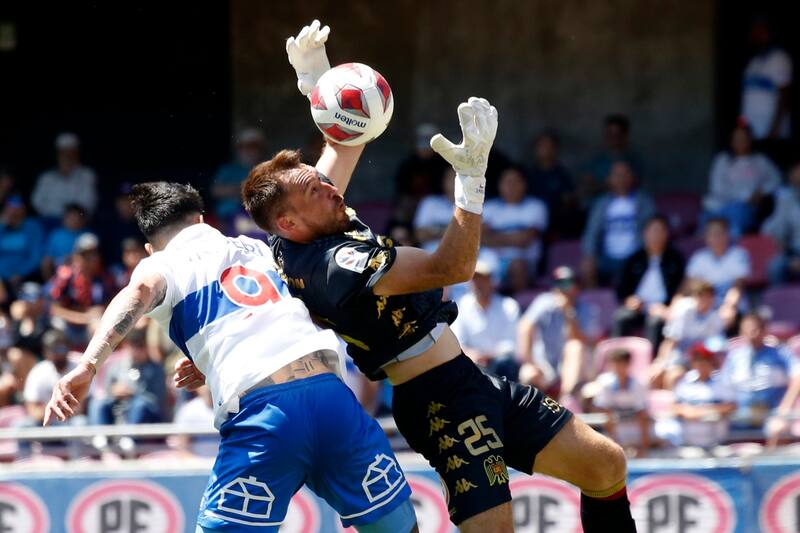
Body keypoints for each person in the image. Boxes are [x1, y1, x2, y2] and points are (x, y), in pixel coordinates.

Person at [240, 27, 635, 529]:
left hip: (468, 378)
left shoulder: (304, 227)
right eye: (316, 190)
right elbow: (453, 268)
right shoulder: (334, 265)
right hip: (438, 402)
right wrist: (471, 181)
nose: (329, 186)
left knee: (605, 464)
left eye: (322, 181)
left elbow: (336, 156)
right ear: (289, 224)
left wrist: (322, 91)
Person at [44, 174, 417, 533]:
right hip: (331, 396)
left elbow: (139, 291)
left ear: (149, 247)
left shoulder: (161, 262)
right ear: (203, 220)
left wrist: (89, 363)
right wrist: (213, 361)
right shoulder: (258, 247)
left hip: (266, 417)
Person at [720, 313, 800, 445]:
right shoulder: (734, 357)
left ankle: (771, 464)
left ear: (764, 331)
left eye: (755, 330)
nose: (752, 334)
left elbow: (798, 376)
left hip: (771, 410)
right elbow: (724, 384)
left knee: (778, 429)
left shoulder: (780, 353)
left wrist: (785, 407)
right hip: (742, 411)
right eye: (747, 330)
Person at [613, 214, 685, 350]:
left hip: (662, 307)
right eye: (652, 231)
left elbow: (681, 288)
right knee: (621, 317)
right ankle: (617, 358)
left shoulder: (675, 259)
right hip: (638, 307)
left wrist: (669, 309)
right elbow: (621, 288)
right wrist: (629, 300)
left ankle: (651, 364)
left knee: (655, 322)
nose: (655, 235)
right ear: (644, 234)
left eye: (660, 231)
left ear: (666, 234)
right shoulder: (634, 259)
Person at [650, 280, 736, 389]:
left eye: (708, 297)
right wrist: (659, 363)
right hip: (681, 359)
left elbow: (718, 349)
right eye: (702, 296)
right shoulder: (684, 313)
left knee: (678, 377)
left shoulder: (716, 319)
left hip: (704, 363)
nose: (705, 300)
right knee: (659, 376)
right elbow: (670, 341)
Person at [581, 160, 656, 286]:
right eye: (616, 175)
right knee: (587, 267)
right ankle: (593, 301)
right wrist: (590, 255)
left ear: (632, 177)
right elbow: (591, 233)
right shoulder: (601, 204)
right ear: (609, 179)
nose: (621, 178)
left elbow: (653, 231)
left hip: (636, 255)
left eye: (625, 174)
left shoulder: (644, 201)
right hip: (607, 257)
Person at [703, 122, 781, 235]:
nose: (740, 142)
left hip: (746, 209)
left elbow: (776, 180)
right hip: (720, 206)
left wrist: (761, 192)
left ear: (750, 140)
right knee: (709, 218)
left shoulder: (760, 160)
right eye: (737, 138)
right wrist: (741, 197)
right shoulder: (723, 160)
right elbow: (717, 188)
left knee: (737, 217)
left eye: (744, 138)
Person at [655, 343, 736, 449]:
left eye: (704, 361)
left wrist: (704, 411)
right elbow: (674, 407)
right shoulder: (685, 382)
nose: (701, 365)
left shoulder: (721, 382)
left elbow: (731, 406)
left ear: (711, 363)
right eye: (697, 361)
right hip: (688, 442)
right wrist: (688, 411)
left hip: (716, 441)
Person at [482, 165, 548, 291]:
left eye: (515, 181)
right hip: (491, 260)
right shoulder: (489, 207)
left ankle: (521, 306)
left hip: (525, 262)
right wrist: (512, 238)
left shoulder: (536, 207)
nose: (511, 186)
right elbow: (477, 238)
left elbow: (523, 241)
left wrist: (491, 236)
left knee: (518, 265)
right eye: (507, 182)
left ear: (524, 184)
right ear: (499, 184)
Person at [451, 259, 520, 380]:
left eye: (483, 279)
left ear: (492, 281)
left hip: (499, 363)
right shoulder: (461, 305)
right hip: (471, 361)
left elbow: (511, 345)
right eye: (475, 279)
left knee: (505, 363)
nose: (478, 284)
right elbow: (457, 341)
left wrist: (486, 356)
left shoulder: (509, 306)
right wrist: (472, 355)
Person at [88, 327, 167, 425]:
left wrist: (133, 393)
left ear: (146, 346)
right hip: (117, 407)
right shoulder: (115, 366)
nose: (137, 351)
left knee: (140, 404)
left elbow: (157, 399)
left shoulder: (156, 369)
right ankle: (100, 437)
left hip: (145, 411)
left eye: (140, 346)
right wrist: (113, 391)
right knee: (98, 404)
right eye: (133, 346)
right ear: (126, 345)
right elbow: (106, 391)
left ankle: (129, 438)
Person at [48, 233, 115, 349]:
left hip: (90, 326)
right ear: (76, 256)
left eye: (94, 254)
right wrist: (83, 317)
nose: (91, 259)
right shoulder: (66, 276)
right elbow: (55, 310)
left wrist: (102, 311)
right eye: (85, 255)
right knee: (57, 324)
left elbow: (111, 305)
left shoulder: (105, 278)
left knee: (98, 325)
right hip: (69, 325)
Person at [741, 17, 793, 163]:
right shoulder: (753, 62)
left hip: (772, 133)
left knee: (771, 176)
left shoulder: (780, 58)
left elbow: (785, 94)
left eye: (759, 31)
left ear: (767, 33)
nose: (754, 35)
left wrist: (775, 128)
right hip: (751, 133)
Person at [591, 349, 650, 456]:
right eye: (615, 363)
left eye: (621, 364)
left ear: (628, 364)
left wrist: (643, 447)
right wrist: (615, 443)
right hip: (615, 430)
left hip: (635, 429)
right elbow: (605, 413)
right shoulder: (605, 383)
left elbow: (642, 414)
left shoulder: (639, 384)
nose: (618, 368)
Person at [31, 133, 98, 222]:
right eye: (63, 152)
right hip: (50, 221)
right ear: (58, 154)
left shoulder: (87, 175)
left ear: (76, 153)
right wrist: (56, 215)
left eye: (71, 152)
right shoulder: (46, 177)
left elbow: (89, 204)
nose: (67, 156)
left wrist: (73, 217)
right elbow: (37, 202)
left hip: (78, 222)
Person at [580, 114, 645, 206]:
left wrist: (610, 184)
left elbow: (635, 184)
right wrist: (608, 185)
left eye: (616, 135)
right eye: (609, 134)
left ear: (625, 136)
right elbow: (586, 187)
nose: (612, 139)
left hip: (629, 205)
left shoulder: (633, 160)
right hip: (600, 207)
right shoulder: (597, 161)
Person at [526, 130, 581, 238]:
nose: (545, 150)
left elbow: (569, 200)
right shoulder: (528, 174)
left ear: (555, 149)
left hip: (555, 222)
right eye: (541, 146)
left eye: (549, 146)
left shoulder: (562, 174)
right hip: (531, 220)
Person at [686, 217, 751, 307]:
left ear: (727, 234)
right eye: (711, 234)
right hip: (705, 305)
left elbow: (737, 286)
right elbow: (690, 284)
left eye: (719, 233)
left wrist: (728, 307)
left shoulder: (738, 254)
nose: (716, 237)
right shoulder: (699, 257)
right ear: (706, 237)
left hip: (733, 307)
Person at [393, 123, 449, 224]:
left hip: (438, 206)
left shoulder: (444, 164)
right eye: (421, 140)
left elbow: (446, 190)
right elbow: (402, 192)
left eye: (428, 140)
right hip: (412, 207)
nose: (424, 146)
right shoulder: (408, 164)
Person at [212, 127, 266, 222]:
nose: (248, 151)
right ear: (238, 149)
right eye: (244, 146)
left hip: (258, 217)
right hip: (229, 217)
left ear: (260, 149)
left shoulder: (267, 168)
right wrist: (245, 189)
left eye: (253, 146)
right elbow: (216, 191)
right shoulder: (228, 169)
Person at [763, 162, 800, 284]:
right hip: (794, 251)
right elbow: (775, 230)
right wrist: (790, 257)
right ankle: (778, 302)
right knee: (775, 267)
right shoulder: (786, 199)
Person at [0, 195, 44, 291]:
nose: (13, 211)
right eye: (10, 207)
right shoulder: (1, 225)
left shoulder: (32, 226)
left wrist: (20, 273)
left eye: (17, 207)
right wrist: (2, 225)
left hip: (23, 276)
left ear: (24, 209)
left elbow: (35, 256)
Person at [413, 167, 455, 252]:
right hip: (433, 256)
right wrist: (460, 233)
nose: (455, 182)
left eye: (460, 178)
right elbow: (420, 235)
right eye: (451, 177)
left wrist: (435, 230)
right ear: (444, 181)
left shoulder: (484, 206)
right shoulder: (430, 202)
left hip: (474, 259)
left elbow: (488, 239)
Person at [41, 203, 88, 278]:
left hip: (81, 271)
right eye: (71, 217)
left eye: (77, 217)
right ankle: (51, 286)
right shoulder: (55, 235)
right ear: (64, 218)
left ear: (82, 220)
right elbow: (48, 258)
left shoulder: (87, 235)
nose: (74, 220)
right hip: (59, 269)